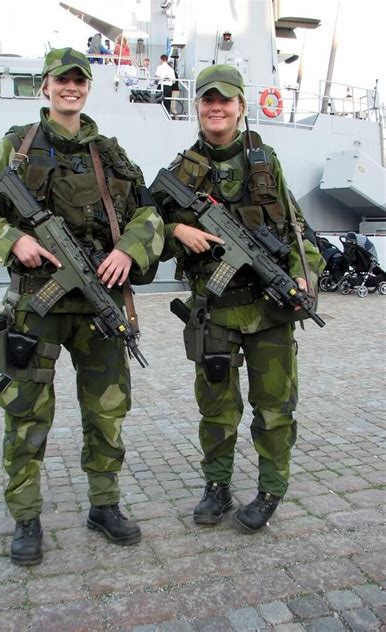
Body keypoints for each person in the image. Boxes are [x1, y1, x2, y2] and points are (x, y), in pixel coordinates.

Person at [0, 47, 164, 564]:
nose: (70, 88)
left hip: (97, 310)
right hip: (37, 304)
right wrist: (14, 241)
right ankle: (26, 518)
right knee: (27, 415)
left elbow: (149, 216)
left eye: (79, 81)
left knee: (106, 413)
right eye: (61, 80)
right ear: (46, 86)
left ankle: (104, 505)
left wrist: (130, 248)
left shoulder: (111, 153)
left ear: (87, 88)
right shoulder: (15, 148)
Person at [152, 65, 325, 532]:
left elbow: (297, 229)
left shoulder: (265, 162)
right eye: (208, 100)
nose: (216, 107)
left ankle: (271, 488)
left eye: (225, 100)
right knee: (216, 408)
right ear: (198, 107)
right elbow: (141, 227)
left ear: (240, 107)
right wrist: (176, 230)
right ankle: (217, 486)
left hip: (269, 312)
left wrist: (305, 276)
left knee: (274, 407)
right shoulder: (180, 170)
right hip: (215, 311)